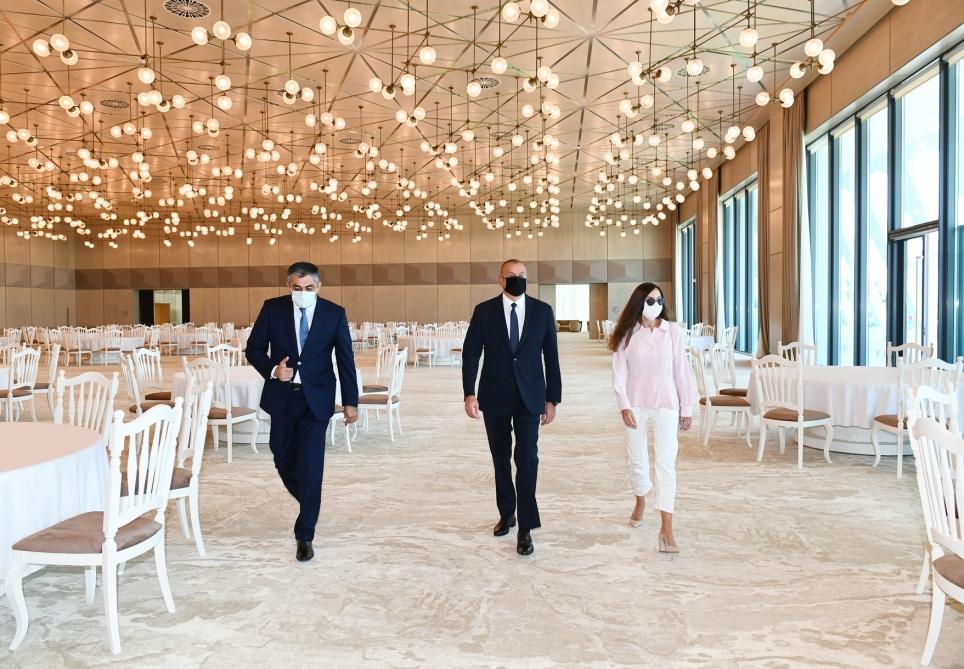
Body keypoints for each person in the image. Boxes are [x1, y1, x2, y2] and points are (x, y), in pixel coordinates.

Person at [246, 261, 359, 562]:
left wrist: (351, 401)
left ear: (318, 286)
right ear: (289, 286)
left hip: (316, 400)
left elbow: (345, 359)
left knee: (311, 465)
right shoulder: (272, 309)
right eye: (297, 288)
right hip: (283, 398)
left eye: (309, 288)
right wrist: (273, 369)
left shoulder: (334, 314)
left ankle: (305, 534)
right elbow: (253, 348)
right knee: (282, 458)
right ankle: (311, 500)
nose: (303, 292)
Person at [462, 259, 562, 556]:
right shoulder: (484, 311)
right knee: (501, 459)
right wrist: (469, 393)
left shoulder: (542, 311)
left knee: (527, 460)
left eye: (522, 275)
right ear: (500, 280)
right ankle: (507, 513)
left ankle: (526, 527)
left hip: (531, 397)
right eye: (511, 275)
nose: (517, 279)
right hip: (495, 396)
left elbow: (551, 357)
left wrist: (553, 399)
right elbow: (471, 353)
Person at [610, 282, 692, 554]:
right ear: (639, 302)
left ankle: (666, 527)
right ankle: (640, 499)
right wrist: (624, 406)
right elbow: (619, 373)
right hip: (635, 405)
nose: (655, 305)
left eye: (659, 300)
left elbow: (682, 371)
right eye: (649, 300)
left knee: (666, 463)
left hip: (667, 404)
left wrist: (687, 407)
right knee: (637, 458)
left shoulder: (673, 332)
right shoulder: (627, 334)